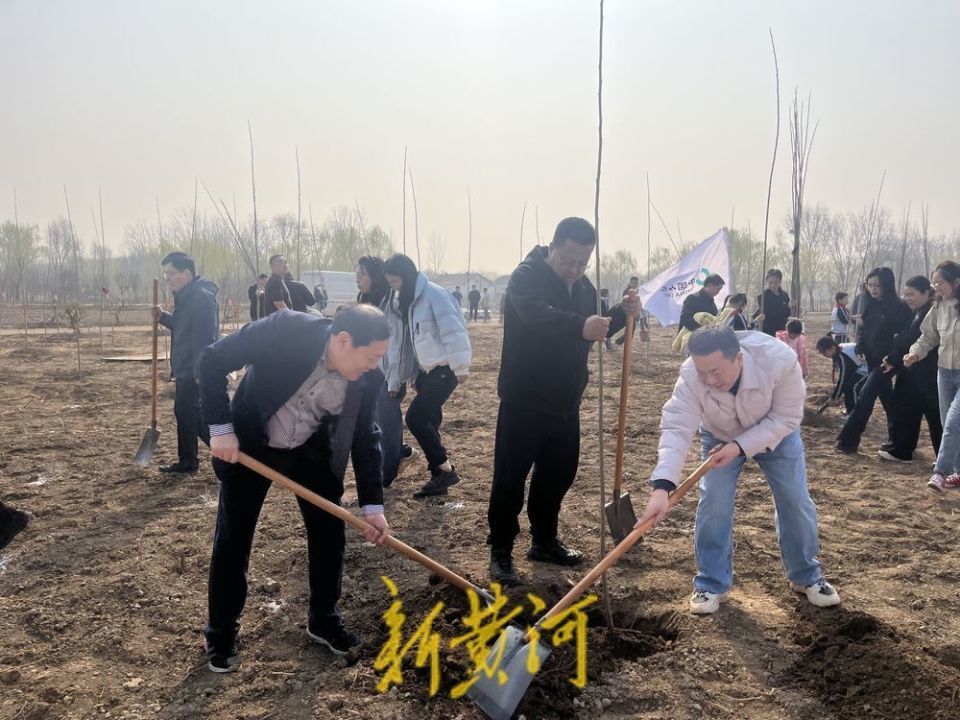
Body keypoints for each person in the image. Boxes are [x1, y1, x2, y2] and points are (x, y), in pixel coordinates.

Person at [199, 305, 391, 672]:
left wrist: (373, 506)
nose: (374, 365)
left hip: (309, 450)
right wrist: (221, 429)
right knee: (234, 536)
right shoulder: (286, 330)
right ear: (344, 341)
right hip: (250, 443)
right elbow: (211, 360)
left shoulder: (368, 379)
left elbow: (366, 437)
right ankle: (220, 633)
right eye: (372, 356)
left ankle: (324, 619)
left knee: (329, 531)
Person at [637, 326, 841, 614]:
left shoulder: (779, 360)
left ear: (739, 359)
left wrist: (741, 446)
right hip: (718, 437)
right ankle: (711, 582)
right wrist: (662, 486)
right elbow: (676, 427)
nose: (709, 380)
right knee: (715, 501)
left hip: (777, 434)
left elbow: (787, 416)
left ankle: (806, 575)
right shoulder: (692, 374)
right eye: (702, 372)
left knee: (794, 499)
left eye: (716, 372)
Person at [487, 217, 639, 584]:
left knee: (557, 476)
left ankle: (544, 540)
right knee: (510, 478)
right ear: (551, 247)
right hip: (524, 400)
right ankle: (501, 548)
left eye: (582, 262)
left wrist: (622, 313)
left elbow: (596, 327)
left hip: (566, 404)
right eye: (568, 260)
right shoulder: (526, 277)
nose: (574, 269)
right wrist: (579, 326)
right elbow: (538, 317)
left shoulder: (585, 287)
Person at [383, 254, 472, 498]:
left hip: (445, 369)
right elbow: (409, 342)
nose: (393, 287)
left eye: (395, 282)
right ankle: (438, 476)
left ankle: (445, 470)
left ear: (406, 276)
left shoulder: (434, 295)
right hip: (427, 370)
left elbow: (453, 330)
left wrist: (461, 366)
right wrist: (411, 375)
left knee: (416, 418)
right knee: (430, 420)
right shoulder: (408, 300)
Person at [152, 251, 220, 474]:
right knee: (187, 412)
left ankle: (232, 454)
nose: (168, 279)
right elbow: (182, 325)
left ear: (188, 273)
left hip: (194, 367)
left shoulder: (201, 297)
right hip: (186, 366)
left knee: (191, 413)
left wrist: (201, 369)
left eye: (171, 273)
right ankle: (190, 460)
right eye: (165, 274)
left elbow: (206, 335)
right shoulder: (188, 295)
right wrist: (163, 316)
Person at [836, 267, 912, 454]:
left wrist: (893, 358)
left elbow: (904, 337)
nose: (872, 289)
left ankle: (847, 441)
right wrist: (860, 346)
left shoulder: (899, 308)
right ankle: (899, 440)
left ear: (887, 285)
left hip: (887, 362)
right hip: (871, 358)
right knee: (888, 400)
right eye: (869, 285)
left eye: (877, 285)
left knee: (865, 396)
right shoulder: (869, 304)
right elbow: (863, 329)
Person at [355, 256, 416, 486]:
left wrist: (394, 379)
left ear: (375, 276)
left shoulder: (392, 304)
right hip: (372, 370)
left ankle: (386, 474)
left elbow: (397, 344)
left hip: (389, 373)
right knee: (375, 420)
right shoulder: (367, 301)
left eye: (361, 274)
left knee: (387, 423)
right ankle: (400, 454)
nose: (357, 279)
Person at [904, 260, 960, 491]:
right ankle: (958, 472)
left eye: (940, 283)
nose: (936, 287)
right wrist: (915, 353)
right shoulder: (938, 306)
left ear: (956, 282)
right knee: (949, 423)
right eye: (934, 282)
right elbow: (928, 337)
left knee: (954, 423)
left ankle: (940, 471)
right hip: (944, 373)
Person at [878, 275, 941, 463]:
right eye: (905, 294)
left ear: (926, 293)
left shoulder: (932, 311)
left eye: (911, 294)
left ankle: (944, 458)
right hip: (912, 368)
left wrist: (897, 342)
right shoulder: (916, 311)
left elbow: (914, 337)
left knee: (935, 416)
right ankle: (902, 450)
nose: (907, 298)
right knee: (906, 410)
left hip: (929, 371)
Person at [816, 335, 868, 414]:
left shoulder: (843, 356)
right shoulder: (838, 350)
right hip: (859, 367)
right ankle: (850, 411)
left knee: (853, 386)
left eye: (824, 352)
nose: (823, 354)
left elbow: (843, 379)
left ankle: (855, 414)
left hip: (867, 368)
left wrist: (834, 397)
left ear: (832, 348)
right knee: (847, 385)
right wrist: (836, 395)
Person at [752, 269, 791, 336]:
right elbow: (764, 313)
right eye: (770, 283)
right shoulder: (762, 297)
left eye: (776, 282)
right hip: (767, 331)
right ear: (767, 281)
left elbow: (787, 312)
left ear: (780, 281)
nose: (773, 285)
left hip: (782, 330)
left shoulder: (785, 295)